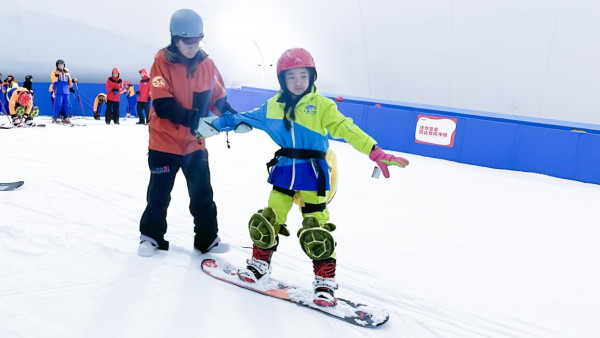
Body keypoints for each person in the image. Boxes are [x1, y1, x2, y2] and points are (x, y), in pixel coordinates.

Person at [198, 48, 410, 307]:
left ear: (311, 76)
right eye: (292, 77)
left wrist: (374, 150)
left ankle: (325, 282)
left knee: (315, 228)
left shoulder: (322, 106)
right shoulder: (273, 107)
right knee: (268, 221)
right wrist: (211, 126)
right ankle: (259, 267)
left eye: (303, 75)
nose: (298, 82)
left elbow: (345, 128)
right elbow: (244, 118)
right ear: (282, 81)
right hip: (285, 170)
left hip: (314, 173)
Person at [137, 9, 237, 257]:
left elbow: (219, 98)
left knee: (202, 194)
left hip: (195, 144)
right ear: (175, 38)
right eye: (186, 41)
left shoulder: (208, 64)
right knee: (159, 195)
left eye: (196, 41)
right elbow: (163, 104)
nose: (192, 47)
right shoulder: (161, 61)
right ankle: (150, 237)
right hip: (164, 142)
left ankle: (207, 239)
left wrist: (231, 117)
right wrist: (195, 119)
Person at [50, 59, 76, 124]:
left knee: (66, 105)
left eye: (62, 65)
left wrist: (72, 81)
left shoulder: (67, 72)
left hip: (66, 91)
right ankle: (55, 117)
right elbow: (53, 80)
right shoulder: (54, 72)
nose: (61, 66)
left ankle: (66, 117)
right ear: (57, 66)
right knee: (58, 104)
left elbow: (69, 81)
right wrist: (57, 75)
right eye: (59, 65)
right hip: (58, 91)